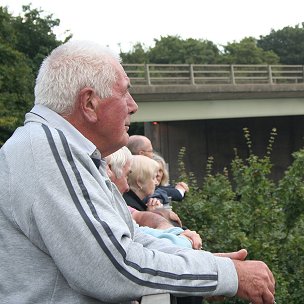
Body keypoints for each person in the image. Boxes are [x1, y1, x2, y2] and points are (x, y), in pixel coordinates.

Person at [0, 40, 275, 303]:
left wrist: (210, 267)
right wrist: (227, 275)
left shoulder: (68, 151)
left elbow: (132, 238)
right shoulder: (50, 151)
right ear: (89, 103)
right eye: (124, 93)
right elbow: (114, 267)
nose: (133, 105)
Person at [106, 147, 201, 250]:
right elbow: (139, 241)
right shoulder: (122, 202)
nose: (157, 182)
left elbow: (137, 217)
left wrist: (163, 218)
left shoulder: (126, 203)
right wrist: (182, 239)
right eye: (153, 177)